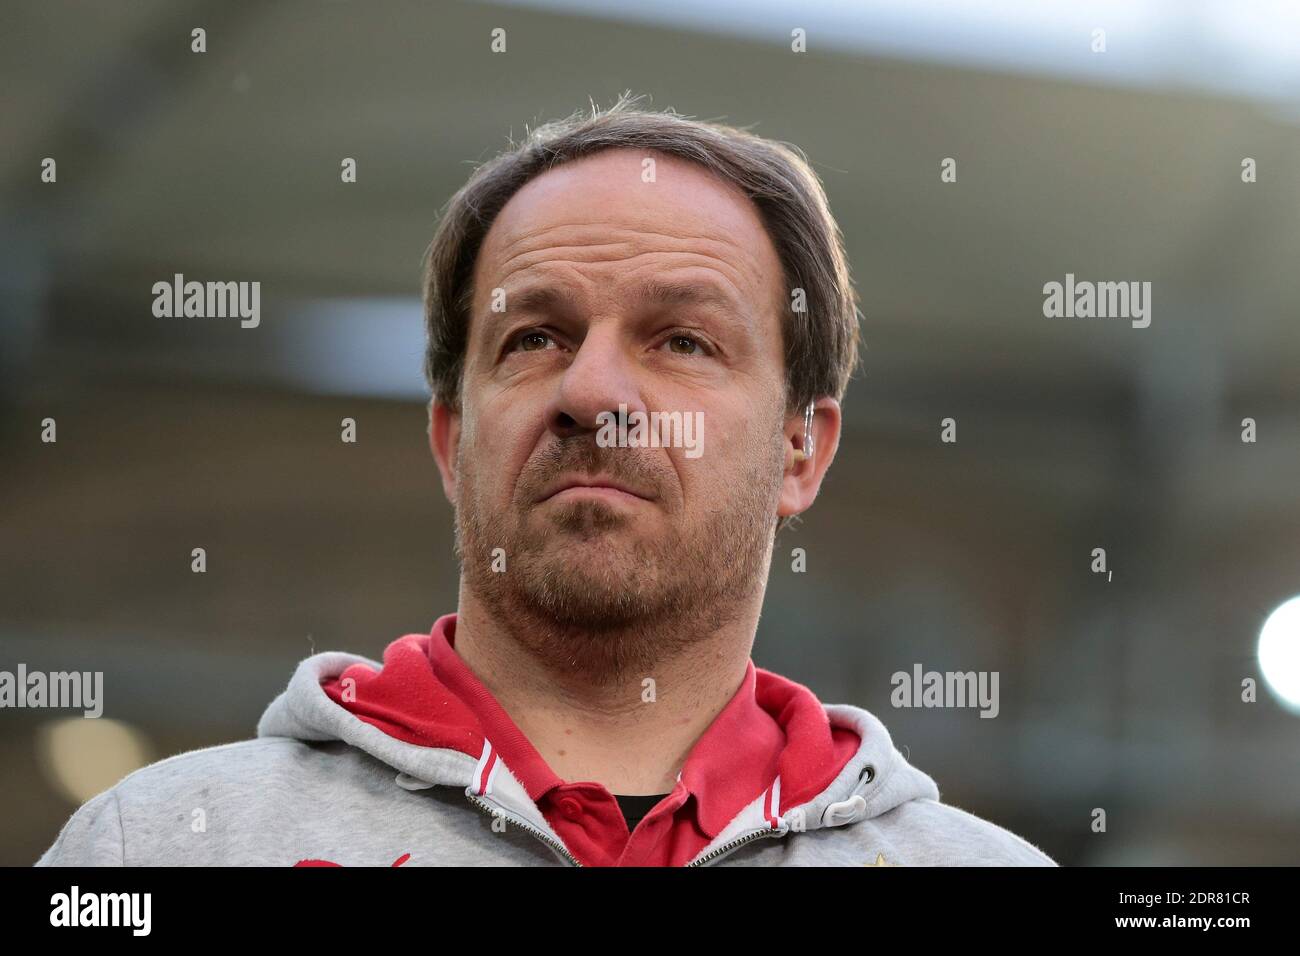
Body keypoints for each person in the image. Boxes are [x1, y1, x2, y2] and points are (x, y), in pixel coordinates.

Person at [37, 95, 1054, 867]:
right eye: (534, 336)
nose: (592, 388)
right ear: (449, 437)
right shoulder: (157, 846)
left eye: (683, 339)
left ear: (801, 449)